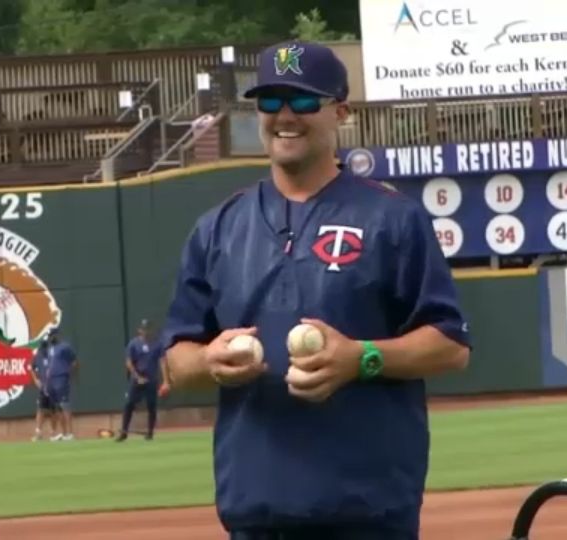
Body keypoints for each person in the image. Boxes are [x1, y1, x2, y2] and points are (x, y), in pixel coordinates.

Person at [160, 41, 472, 540]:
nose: (286, 116)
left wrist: (361, 357)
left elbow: (451, 345)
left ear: (340, 112)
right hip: (257, 513)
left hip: (367, 513)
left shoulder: (393, 219)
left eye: (304, 101)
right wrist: (208, 361)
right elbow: (175, 359)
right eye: (271, 101)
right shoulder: (217, 228)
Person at [116, 319, 170, 442]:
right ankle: (124, 431)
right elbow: (129, 362)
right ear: (139, 330)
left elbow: (162, 362)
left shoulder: (158, 344)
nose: (146, 332)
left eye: (148, 329)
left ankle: (150, 432)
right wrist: (137, 376)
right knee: (129, 404)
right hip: (137, 379)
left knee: (152, 406)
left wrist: (166, 381)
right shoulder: (134, 344)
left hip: (151, 379)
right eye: (143, 329)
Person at [43, 327, 79, 441]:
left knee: (65, 406)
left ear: (57, 335)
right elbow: (50, 365)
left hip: (61, 378)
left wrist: (69, 374)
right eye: (49, 337)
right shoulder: (50, 348)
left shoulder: (65, 347)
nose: (50, 339)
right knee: (56, 408)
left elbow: (74, 362)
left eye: (52, 336)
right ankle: (63, 433)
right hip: (52, 380)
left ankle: (70, 433)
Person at [30, 338, 56, 441]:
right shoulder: (37, 356)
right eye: (42, 346)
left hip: (53, 387)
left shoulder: (52, 355)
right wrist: (36, 380)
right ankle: (38, 432)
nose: (44, 348)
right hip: (42, 387)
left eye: (45, 345)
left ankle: (53, 433)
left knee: (53, 411)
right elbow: (32, 368)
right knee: (40, 410)